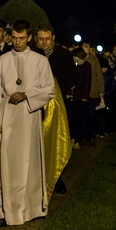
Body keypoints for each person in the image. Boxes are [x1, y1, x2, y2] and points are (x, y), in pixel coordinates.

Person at [0, 20, 54, 226]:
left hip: (29, 116)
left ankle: (32, 208)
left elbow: (49, 89)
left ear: (29, 37)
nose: (17, 42)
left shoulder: (40, 61)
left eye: (21, 38)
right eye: (14, 38)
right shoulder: (1, 61)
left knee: (30, 163)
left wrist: (27, 95)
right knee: (7, 165)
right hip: (8, 116)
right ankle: (6, 212)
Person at [33, 23, 73, 196]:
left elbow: (73, 76)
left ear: (53, 38)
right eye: (41, 39)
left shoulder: (63, 55)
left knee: (56, 140)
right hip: (35, 105)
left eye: (47, 39)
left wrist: (54, 84)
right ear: (35, 39)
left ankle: (56, 177)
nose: (44, 43)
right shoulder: (31, 54)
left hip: (58, 103)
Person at [82, 41, 104, 145]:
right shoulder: (79, 58)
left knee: (91, 114)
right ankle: (84, 136)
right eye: (84, 46)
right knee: (83, 115)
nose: (86, 48)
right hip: (82, 92)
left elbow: (99, 75)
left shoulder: (94, 60)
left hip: (92, 91)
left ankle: (91, 136)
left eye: (87, 46)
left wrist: (101, 92)